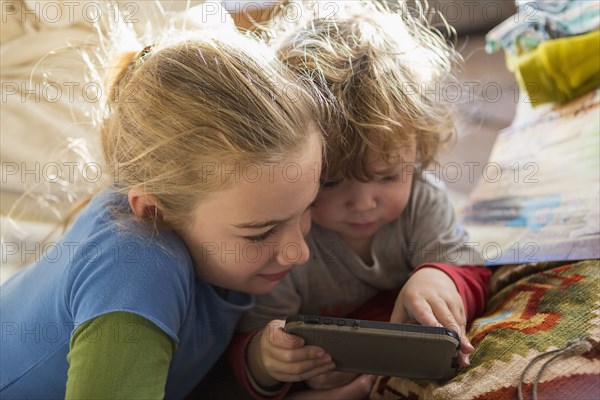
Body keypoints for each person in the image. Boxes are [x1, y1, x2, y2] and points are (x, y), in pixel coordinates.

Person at [0, 25, 324, 399]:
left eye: (307, 208)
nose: (301, 251)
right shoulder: (137, 268)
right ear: (154, 213)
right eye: (261, 233)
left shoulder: (208, 214)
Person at [228, 2, 492, 399]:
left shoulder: (422, 198)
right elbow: (249, 339)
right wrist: (267, 362)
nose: (364, 202)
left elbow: (470, 267)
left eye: (387, 176)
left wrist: (438, 277)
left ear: (418, 151)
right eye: (331, 183)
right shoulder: (287, 240)